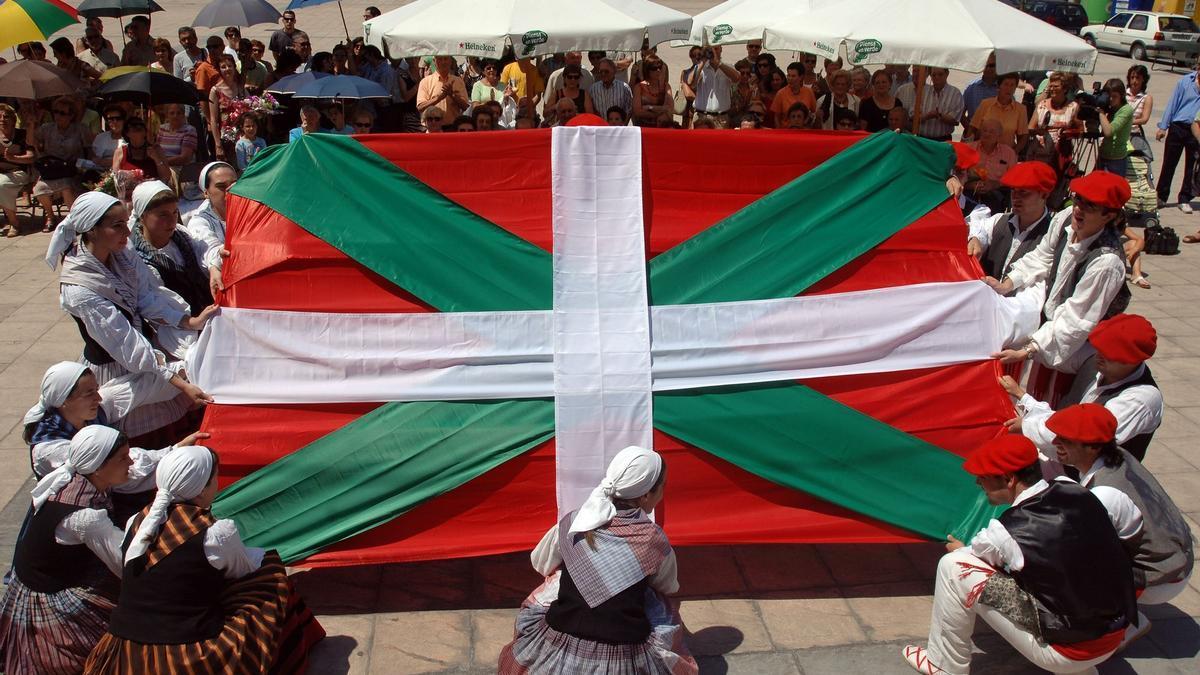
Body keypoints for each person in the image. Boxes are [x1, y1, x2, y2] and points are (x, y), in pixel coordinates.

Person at [901, 435, 1136, 675]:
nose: (978, 484)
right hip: (1116, 631)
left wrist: (961, 550)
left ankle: (943, 665)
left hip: (1068, 651)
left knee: (953, 566)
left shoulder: (1003, 533)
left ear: (1009, 479)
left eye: (983, 478)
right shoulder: (1073, 488)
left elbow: (974, 556)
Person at [85, 446, 326, 673]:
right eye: (215, 478)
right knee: (270, 575)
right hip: (182, 652)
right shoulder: (215, 533)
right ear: (201, 489)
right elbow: (245, 568)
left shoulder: (137, 520)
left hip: (126, 647)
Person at [497, 446, 697, 674]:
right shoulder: (654, 540)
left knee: (558, 577)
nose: (663, 493)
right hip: (624, 650)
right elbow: (668, 586)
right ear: (645, 495)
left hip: (560, 630)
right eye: (663, 487)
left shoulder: (574, 521)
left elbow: (541, 563)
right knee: (657, 600)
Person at [48, 193, 215, 439]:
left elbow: (148, 295)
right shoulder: (80, 288)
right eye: (117, 226)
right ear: (91, 230)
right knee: (144, 432)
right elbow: (126, 344)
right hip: (116, 363)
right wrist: (179, 382)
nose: (127, 233)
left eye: (126, 223)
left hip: (145, 352)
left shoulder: (122, 254)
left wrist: (188, 320)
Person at [987, 171, 1132, 407]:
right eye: (1078, 199)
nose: (1079, 209)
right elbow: (1042, 256)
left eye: (1090, 205)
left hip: (1077, 348)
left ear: (1109, 216)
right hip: (1049, 331)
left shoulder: (1106, 263)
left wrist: (1029, 349)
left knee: (1053, 408)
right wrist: (1008, 283)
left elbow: (1076, 321)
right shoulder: (1065, 218)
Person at [0, 426, 131, 674]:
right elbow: (126, 563)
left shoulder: (71, 477)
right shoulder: (85, 518)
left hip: (46, 575)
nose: (131, 461)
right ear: (98, 467)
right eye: (123, 458)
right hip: (49, 595)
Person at [1045, 404, 1193, 618]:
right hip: (1177, 560)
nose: (1054, 443)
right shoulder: (1120, 455)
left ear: (1093, 447)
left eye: (1065, 441)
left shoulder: (1104, 494)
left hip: (1162, 577)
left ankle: (1116, 624)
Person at [1004, 314, 1163, 465]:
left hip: (1098, 485)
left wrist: (1027, 426)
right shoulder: (1101, 365)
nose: (1099, 356)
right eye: (1101, 349)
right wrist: (1022, 392)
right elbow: (1059, 349)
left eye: (1110, 354)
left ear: (1132, 361)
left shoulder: (1141, 399)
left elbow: (1081, 434)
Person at [968, 161, 1058, 280]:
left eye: (1023, 192)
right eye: (1013, 190)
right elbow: (981, 227)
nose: (1015, 197)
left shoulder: (1052, 235)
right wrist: (976, 238)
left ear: (1044, 195)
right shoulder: (1000, 219)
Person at [32, 98, 92, 232]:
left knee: (66, 185)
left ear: (71, 116)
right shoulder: (46, 128)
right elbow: (32, 142)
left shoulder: (81, 129)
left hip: (72, 170)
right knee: (38, 189)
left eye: (62, 113)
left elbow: (90, 149)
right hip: (51, 170)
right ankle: (50, 217)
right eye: (55, 112)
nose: (57, 116)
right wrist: (32, 124)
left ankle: (73, 219)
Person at [1154, 60, 1200, 212]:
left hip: (1196, 129)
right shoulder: (1185, 82)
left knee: (1191, 166)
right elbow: (1172, 104)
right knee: (1169, 163)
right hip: (1178, 126)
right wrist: (1163, 126)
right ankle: (1161, 196)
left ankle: (1184, 198)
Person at [186, 162, 236, 290]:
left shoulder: (249, 210)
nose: (230, 190)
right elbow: (207, 247)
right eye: (221, 186)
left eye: (234, 184)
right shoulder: (199, 221)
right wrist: (215, 263)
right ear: (206, 192)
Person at [965, 118, 1020, 213]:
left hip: (997, 194)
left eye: (991, 131)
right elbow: (956, 175)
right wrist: (971, 185)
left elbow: (1014, 179)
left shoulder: (1008, 153)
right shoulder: (968, 149)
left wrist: (995, 184)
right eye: (984, 130)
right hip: (969, 192)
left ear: (999, 135)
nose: (987, 134)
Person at [895, 67, 962, 141]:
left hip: (943, 140)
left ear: (947, 74)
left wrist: (939, 116)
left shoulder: (955, 93)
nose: (937, 77)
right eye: (934, 75)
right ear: (930, 76)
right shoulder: (923, 91)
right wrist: (927, 116)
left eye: (940, 74)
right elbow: (912, 116)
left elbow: (955, 120)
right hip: (922, 138)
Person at [970, 72, 1030, 154]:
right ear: (999, 86)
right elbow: (973, 128)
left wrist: (1014, 153)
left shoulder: (1021, 109)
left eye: (1012, 85)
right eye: (1006, 84)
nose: (1009, 88)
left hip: (1005, 156)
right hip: (982, 153)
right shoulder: (985, 104)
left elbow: (1023, 136)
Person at [1027, 73, 1081, 162]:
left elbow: (1080, 130)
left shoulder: (1073, 107)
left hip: (1061, 156)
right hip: (1038, 153)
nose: (1052, 89)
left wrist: (1067, 133)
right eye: (1050, 86)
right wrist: (1039, 131)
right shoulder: (1042, 105)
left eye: (1056, 86)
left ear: (1065, 89)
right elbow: (1030, 128)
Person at [1, 104, 34, 238]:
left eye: (6, 116)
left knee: (1, 184)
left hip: (19, 172)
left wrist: (12, 158)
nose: (2, 119)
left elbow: (31, 157)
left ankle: (14, 223)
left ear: (13, 120)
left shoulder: (22, 134)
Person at [208, 55, 247, 163]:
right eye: (223, 67)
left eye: (229, 66)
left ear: (234, 67)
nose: (227, 69)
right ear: (219, 70)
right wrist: (218, 145)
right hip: (226, 139)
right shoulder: (215, 91)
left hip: (244, 136)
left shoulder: (240, 88)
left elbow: (250, 108)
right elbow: (213, 120)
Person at [111, 118, 171, 183]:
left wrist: (156, 159)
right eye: (134, 130)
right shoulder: (120, 152)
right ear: (127, 134)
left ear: (145, 132)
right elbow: (115, 178)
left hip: (152, 189)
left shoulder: (156, 149)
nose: (138, 132)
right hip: (129, 189)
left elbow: (166, 177)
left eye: (140, 129)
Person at [692, 46, 739, 129]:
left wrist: (718, 63)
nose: (713, 52)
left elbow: (737, 78)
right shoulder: (701, 68)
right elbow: (692, 83)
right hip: (702, 116)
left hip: (721, 119)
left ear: (721, 49)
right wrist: (703, 61)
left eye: (716, 49)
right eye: (710, 50)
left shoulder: (728, 67)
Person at [1097, 78, 1134, 177]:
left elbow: (1109, 131)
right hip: (1103, 154)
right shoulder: (1109, 108)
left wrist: (1101, 113)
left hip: (1116, 159)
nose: (1111, 99)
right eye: (1109, 96)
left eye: (1114, 96)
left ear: (1122, 96)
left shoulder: (1126, 110)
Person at [417, 56, 470, 122]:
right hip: (432, 127)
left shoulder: (458, 81)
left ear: (450, 61)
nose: (443, 62)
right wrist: (439, 98)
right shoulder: (425, 82)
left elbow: (466, 106)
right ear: (434, 61)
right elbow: (420, 107)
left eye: (445, 59)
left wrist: (452, 95)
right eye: (440, 59)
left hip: (452, 127)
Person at [769, 62, 818, 130]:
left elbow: (814, 113)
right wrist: (779, 133)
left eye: (793, 76)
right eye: (788, 75)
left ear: (801, 77)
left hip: (804, 132)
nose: (790, 78)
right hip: (786, 132)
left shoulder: (809, 92)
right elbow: (776, 117)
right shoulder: (780, 93)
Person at [155, 104, 198, 172]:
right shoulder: (162, 128)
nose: (175, 116)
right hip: (162, 168)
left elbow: (185, 158)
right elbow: (157, 150)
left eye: (179, 113)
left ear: (183, 115)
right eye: (172, 113)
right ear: (167, 115)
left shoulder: (189, 130)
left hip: (181, 171)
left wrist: (161, 162)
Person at [631, 59, 672, 127]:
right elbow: (637, 111)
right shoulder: (639, 87)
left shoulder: (666, 86)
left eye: (660, 68)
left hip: (661, 126)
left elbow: (670, 108)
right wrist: (659, 112)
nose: (658, 70)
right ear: (648, 70)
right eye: (654, 68)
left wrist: (648, 107)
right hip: (643, 126)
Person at [962, 55, 999, 129]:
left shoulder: (1004, 88)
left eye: (991, 65)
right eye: (985, 65)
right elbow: (960, 112)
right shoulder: (971, 87)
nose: (988, 68)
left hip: (996, 136)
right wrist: (970, 131)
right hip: (973, 134)